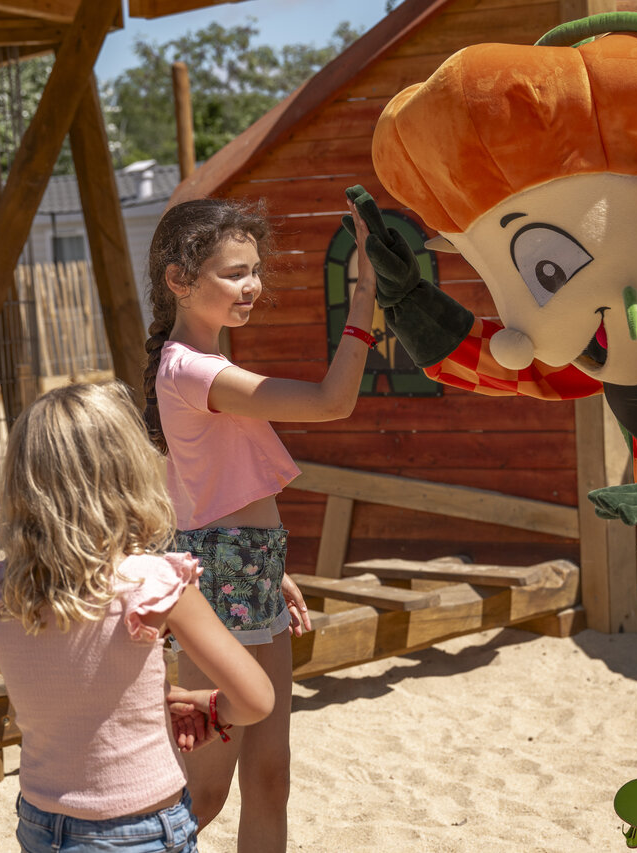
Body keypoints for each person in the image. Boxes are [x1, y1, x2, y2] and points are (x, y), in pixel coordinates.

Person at [141, 191, 377, 849]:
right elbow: (331, 401)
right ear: (180, 281)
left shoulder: (200, 367)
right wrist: (364, 294)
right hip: (224, 577)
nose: (253, 285)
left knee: (271, 777)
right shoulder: (192, 371)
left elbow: (195, 488)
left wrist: (271, 570)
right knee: (203, 791)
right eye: (234, 273)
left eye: (255, 270)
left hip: (250, 565)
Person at [0, 381, 276, 853]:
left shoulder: (0, 591)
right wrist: (210, 708)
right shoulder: (153, 584)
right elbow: (255, 699)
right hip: (141, 828)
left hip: (41, 823)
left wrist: (153, 700)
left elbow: (65, 689)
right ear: (128, 473)